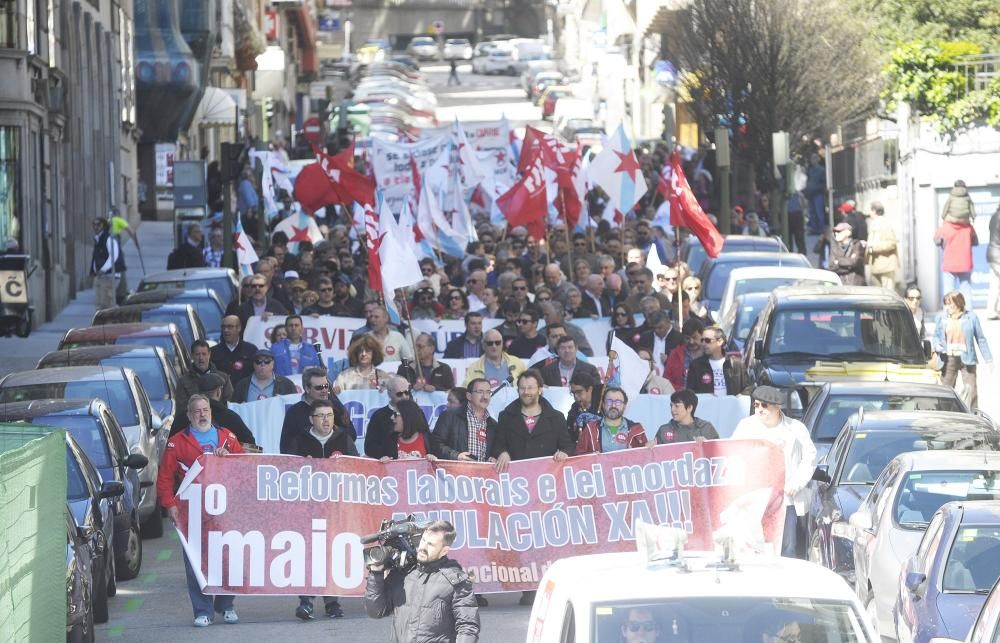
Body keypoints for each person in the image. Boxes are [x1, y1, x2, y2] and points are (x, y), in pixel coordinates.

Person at [156, 395, 243, 626]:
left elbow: (244, 467)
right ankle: (202, 610)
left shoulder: (227, 437)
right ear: (189, 415)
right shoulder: (176, 442)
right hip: (191, 511)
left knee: (227, 557)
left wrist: (230, 458)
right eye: (197, 411)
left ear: (211, 412)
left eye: (205, 410)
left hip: (224, 510)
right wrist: (170, 505)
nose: (202, 414)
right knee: (196, 560)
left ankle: (226, 604)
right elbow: (164, 478)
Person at [492, 369, 573, 605]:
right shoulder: (506, 416)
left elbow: (568, 445)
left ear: (540, 389)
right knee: (522, 538)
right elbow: (497, 446)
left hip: (547, 489)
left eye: (530, 387)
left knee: (545, 538)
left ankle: (546, 585)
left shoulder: (556, 417)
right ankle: (527, 587)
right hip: (516, 489)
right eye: (522, 388)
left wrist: (564, 452)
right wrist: (503, 452)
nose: (526, 392)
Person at [288, 399, 355, 621]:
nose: (326, 420)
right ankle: (306, 602)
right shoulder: (299, 441)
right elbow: (286, 471)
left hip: (337, 508)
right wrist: (300, 466)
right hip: (307, 509)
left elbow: (358, 468)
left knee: (332, 554)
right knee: (307, 554)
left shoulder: (344, 439)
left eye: (330, 415)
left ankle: (332, 602)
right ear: (311, 419)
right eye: (321, 416)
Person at [731, 385, 816, 558]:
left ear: (777, 407)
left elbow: (810, 458)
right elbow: (732, 454)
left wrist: (797, 483)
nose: (759, 410)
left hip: (787, 501)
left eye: (764, 405)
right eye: (756, 405)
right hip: (755, 500)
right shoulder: (746, 427)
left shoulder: (796, 428)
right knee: (754, 549)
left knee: (788, 549)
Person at [365, 520, 480, 641]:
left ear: (444, 551)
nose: (423, 547)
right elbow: (376, 611)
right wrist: (376, 573)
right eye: (423, 540)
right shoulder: (402, 573)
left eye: (430, 544)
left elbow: (468, 627)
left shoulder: (456, 581)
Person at [933, 290, 992, 409]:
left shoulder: (971, 317)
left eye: (951, 304)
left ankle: (974, 414)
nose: (948, 306)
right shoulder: (941, 317)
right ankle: (944, 415)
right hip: (948, 358)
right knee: (946, 390)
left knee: (971, 390)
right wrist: (937, 346)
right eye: (946, 303)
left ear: (959, 303)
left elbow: (980, 339)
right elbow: (936, 336)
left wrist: (988, 359)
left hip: (967, 358)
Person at [279, 367, 351, 454]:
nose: (324, 390)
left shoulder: (336, 406)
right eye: (319, 387)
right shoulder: (294, 412)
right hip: (307, 464)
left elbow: (351, 435)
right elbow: (286, 448)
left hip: (334, 462)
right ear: (307, 389)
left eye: (326, 386)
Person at [575, 387, 647, 454]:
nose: (613, 406)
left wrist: (651, 448)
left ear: (624, 406)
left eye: (618, 402)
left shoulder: (637, 430)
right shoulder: (590, 429)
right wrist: (591, 457)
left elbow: (646, 457)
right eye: (609, 402)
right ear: (603, 404)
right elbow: (579, 456)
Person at [366, 396, 439, 462]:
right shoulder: (388, 440)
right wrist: (382, 461)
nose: (392, 418)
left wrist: (434, 460)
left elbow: (442, 468)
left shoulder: (429, 440)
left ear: (406, 417)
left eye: (395, 414)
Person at [176, 341, 234, 416]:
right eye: (197, 354)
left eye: (204, 354)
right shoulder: (183, 381)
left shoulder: (223, 378)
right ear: (192, 356)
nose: (201, 358)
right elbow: (181, 410)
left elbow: (230, 404)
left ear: (209, 355)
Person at [686, 327, 745, 395]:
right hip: (708, 405)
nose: (704, 344)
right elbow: (690, 393)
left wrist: (741, 395)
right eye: (702, 340)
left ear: (720, 341)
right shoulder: (695, 365)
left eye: (707, 340)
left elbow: (748, 388)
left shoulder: (736, 364)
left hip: (730, 405)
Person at [231, 348, 297, 403]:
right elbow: (234, 409)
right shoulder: (242, 385)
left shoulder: (286, 384)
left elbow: (294, 406)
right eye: (258, 361)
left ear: (273, 364)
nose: (262, 364)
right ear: (253, 364)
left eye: (267, 361)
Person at [654, 389, 719, 443]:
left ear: (689, 408)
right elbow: (654, 456)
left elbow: (720, 453)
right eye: (671, 406)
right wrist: (650, 448)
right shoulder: (664, 430)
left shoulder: (706, 428)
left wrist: (708, 445)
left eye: (677, 406)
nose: (672, 410)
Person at [211, 316, 258, 384]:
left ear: (239, 328)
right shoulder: (213, 352)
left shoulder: (251, 350)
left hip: (244, 393)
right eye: (223, 327)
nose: (226, 330)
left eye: (230, 327)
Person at [865, 201, 899, 291]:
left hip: (886, 265)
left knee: (888, 293)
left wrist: (873, 247)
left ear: (874, 211)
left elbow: (891, 243)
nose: (869, 213)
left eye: (870, 211)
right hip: (876, 265)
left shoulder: (885, 224)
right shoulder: (875, 223)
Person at [90, 217, 121, 311]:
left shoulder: (109, 239)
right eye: (94, 224)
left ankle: (113, 324)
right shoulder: (98, 239)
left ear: (104, 226)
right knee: (100, 306)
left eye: (98, 224)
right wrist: (94, 271)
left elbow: (113, 256)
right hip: (101, 276)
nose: (96, 227)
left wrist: (103, 269)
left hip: (108, 276)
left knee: (107, 306)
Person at [664, 319, 704, 391]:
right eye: (687, 338)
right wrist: (680, 389)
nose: (691, 342)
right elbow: (666, 381)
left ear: (702, 335)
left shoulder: (709, 354)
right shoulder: (675, 354)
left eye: (695, 337)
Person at [828, 222, 865, 286]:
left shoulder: (857, 245)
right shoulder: (835, 247)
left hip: (855, 283)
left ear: (848, 233)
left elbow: (855, 262)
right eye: (835, 231)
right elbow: (831, 267)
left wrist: (838, 261)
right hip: (840, 283)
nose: (836, 233)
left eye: (839, 231)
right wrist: (848, 265)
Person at [804, 153, 826, 235]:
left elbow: (824, 183)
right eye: (811, 159)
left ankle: (821, 229)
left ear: (817, 159)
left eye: (814, 158)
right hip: (811, 194)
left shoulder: (821, 170)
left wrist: (819, 188)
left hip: (818, 194)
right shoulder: (810, 170)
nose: (812, 160)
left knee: (819, 212)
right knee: (812, 212)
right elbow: (808, 181)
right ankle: (814, 229)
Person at [988, 204, 1000, 320]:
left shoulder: (994, 216)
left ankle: (991, 311)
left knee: (995, 284)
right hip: (998, 255)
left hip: (992, 253)